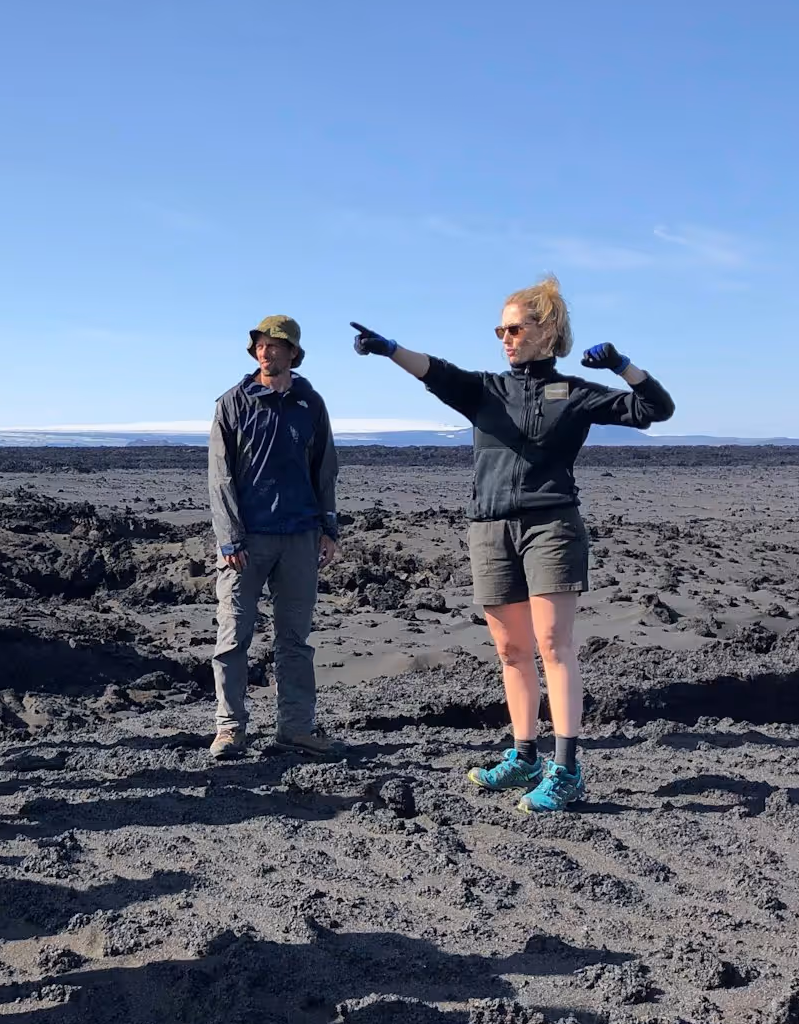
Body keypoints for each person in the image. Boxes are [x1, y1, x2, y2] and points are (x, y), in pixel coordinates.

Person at [351, 275, 675, 813]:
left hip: (551, 526)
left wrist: (623, 366)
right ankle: (524, 754)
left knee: (554, 645)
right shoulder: (485, 390)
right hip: (490, 526)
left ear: (547, 331)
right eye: (499, 329)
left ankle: (566, 769)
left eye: (515, 327)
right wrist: (389, 350)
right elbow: (437, 372)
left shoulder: (575, 393)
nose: (505, 336)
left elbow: (655, 411)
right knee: (511, 650)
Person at [207, 316, 342, 761]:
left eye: (275, 345)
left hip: (300, 539)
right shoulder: (233, 403)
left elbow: (325, 469)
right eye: (261, 345)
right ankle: (230, 729)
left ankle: (295, 728)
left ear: (293, 353)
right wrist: (229, 539)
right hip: (248, 542)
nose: (266, 352)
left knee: (295, 641)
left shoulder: (310, 403)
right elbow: (220, 477)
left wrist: (328, 529)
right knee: (233, 636)